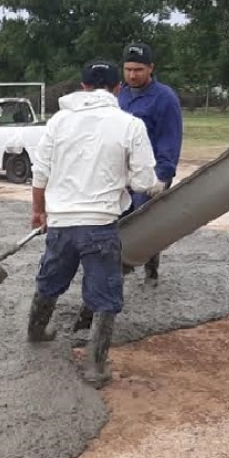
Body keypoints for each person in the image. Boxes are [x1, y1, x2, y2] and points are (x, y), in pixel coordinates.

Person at [27, 60, 160, 388]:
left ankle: (37, 331)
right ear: (118, 88)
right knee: (105, 293)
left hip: (60, 224)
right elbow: (144, 181)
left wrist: (39, 212)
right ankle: (95, 365)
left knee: (51, 278)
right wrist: (147, 182)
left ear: (83, 86)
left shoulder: (58, 121)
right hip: (100, 225)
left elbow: (40, 173)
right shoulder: (129, 124)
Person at [116, 42, 183, 284]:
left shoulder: (164, 98)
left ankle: (149, 267)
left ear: (150, 68)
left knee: (144, 224)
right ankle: (116, 273)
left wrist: (163, 177)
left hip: (149, 174)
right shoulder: (119, 95)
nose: (132, 75)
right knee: (118, 223)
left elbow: (170, 139)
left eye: (138, 70)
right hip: (121, 173)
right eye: (128, 69)